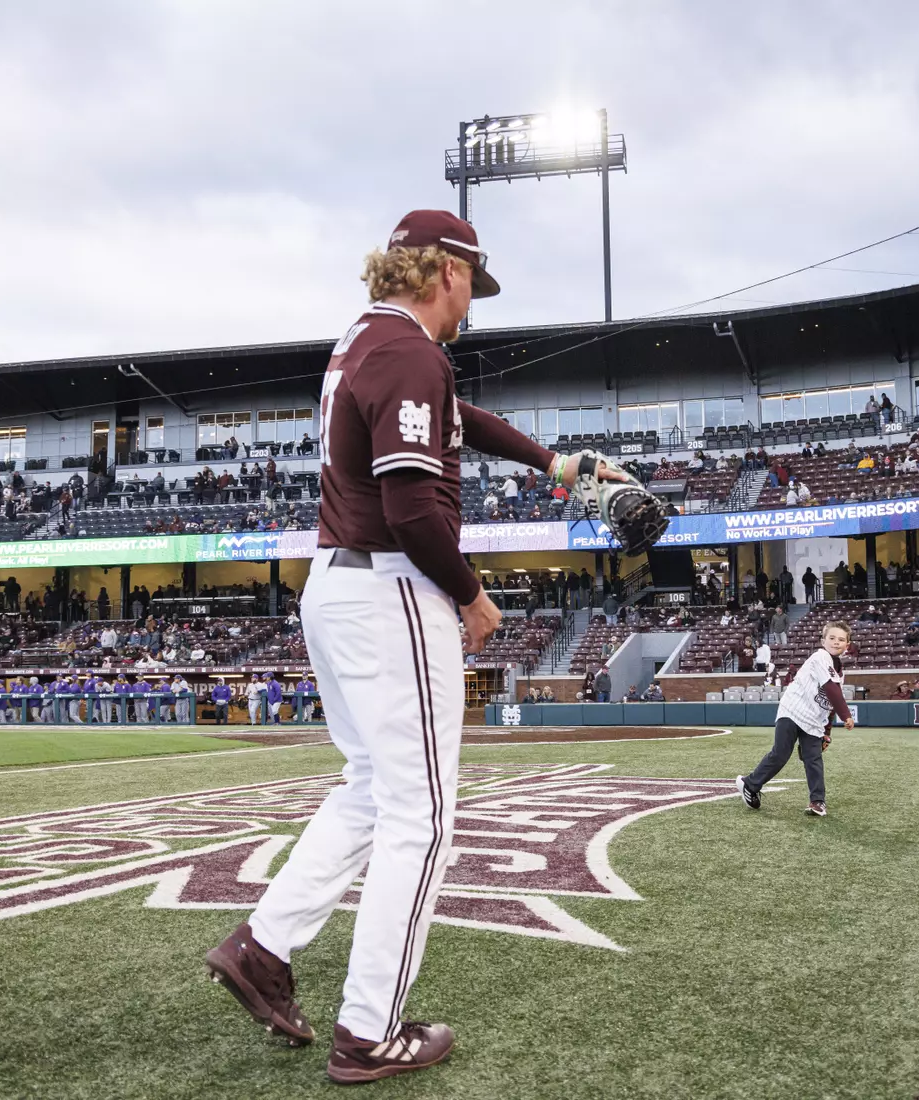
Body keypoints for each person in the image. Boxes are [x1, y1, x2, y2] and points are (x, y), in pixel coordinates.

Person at [206, 209, 629, 1084]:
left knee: (371, 788)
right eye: (472, 282)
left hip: (342, 582)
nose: (473, 302)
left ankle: (264, 945)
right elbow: (407, 507)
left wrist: (560, 466)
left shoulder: (365, 340)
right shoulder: (407, 352)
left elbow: (458, 418)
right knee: (422, 816)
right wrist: (470, 596)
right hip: (391, 585)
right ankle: (368, 1030)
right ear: (443, 271)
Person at [736, 620, 854, 818]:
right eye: (832, 638)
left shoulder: (839, 671)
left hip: (814, 721)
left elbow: (829, 705)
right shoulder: (820, 657)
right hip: (793, 710)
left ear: (847, 645)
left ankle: (817, 802)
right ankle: (750, 784)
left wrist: (826, 733)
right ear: (823, 640)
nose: (836, 642)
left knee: (813, 759)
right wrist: (847, 715)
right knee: (781, 754)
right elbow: (832, 691)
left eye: (841, 639)